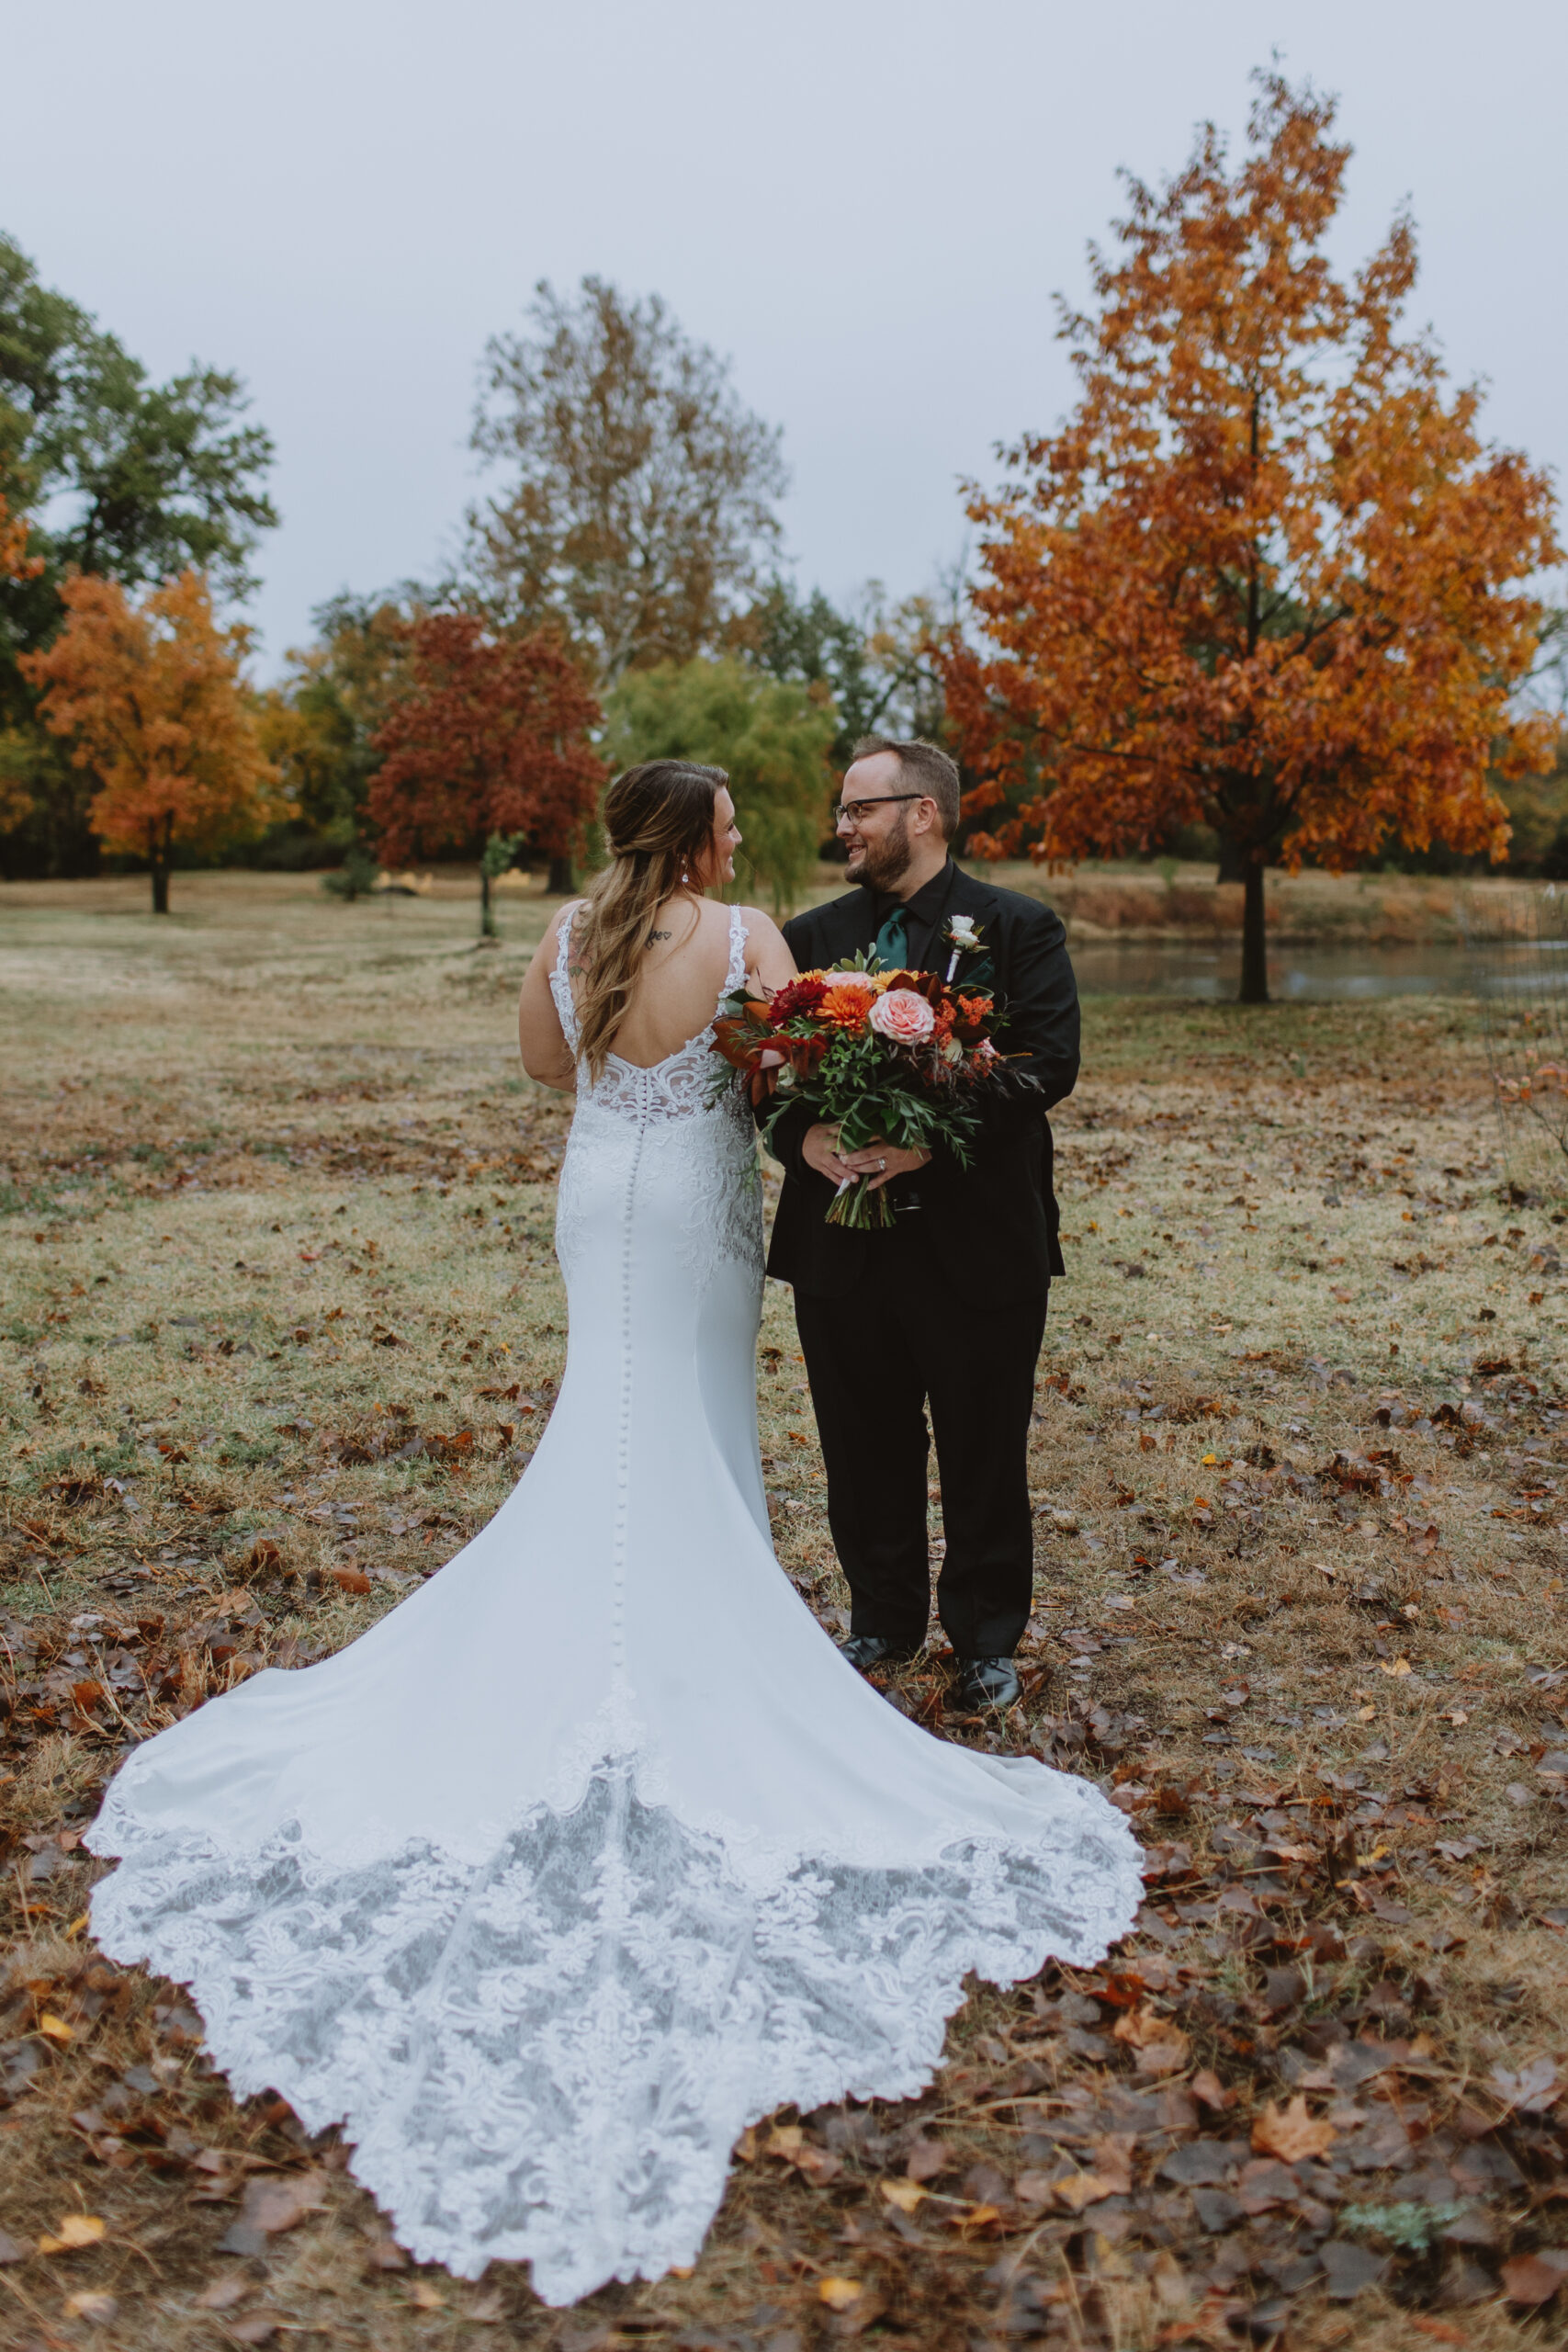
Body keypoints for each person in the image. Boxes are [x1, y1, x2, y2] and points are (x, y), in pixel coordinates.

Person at [86, 760, 1140, 2305]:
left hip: (600, 1193)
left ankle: (645, 1632)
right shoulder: (755, 930)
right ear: (708, 838)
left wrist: (642, 1076)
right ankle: (724, 1650)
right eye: (734, 822)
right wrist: (797, 1111)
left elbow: (541, 1068)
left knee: (607, 1420)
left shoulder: (574, 929)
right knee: (687, 1430)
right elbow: (783, 1077)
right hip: (698, 1201)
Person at [768, 736, 1078, 1713]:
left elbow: (1046, 1067)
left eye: (860, 808)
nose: (842, 826)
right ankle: (882, 1622)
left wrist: (931, 1140)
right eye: (843, 811)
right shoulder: (808, 936)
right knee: (861, 1445)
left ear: (924, 813)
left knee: (985, 1448)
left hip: (975, 1246)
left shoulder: (1019, 928)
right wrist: (804, 1137)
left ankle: (986, 1639)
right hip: (842, 1243)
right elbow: (758, 1073)